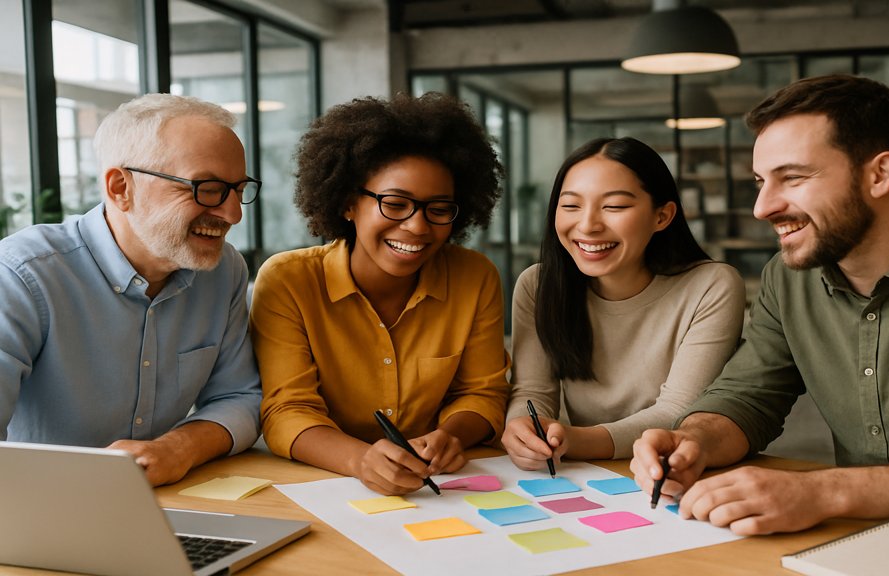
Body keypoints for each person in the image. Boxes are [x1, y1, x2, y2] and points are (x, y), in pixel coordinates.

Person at [631, 74, 889, 535]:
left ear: (880, 174)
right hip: (867, 544)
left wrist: (824, 491)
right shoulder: (788, 278)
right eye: (761, 181)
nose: (762, 207)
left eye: (792, 178)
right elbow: (749, 396)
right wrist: (692, 440)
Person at [251, 92, 510, 496]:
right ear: (349, 203)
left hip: (439, 487)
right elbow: (287, 410)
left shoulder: (474, 277)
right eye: (395, 204)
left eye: (438, 209)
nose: (418, 227)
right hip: (325, 486)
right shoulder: (289, 282)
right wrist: (359, 460)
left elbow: (483, 391)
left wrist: (452, 436)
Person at [0, 93, 263, 486]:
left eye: (238, 189)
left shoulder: (223, 271)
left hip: (169, 501)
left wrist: (178, 448)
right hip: (43, 515)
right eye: (207, 188)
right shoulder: (21, 275)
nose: (233, 213)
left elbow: (241, 398)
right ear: (121, 187)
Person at [502, 137, 745, 469]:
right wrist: (524, 430)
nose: (587, 225)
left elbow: (678, 410)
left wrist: (574, 440)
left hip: (678, 469)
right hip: (587, 473)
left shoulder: (711, 286)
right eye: (571, 205)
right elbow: (533, 392)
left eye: (614, 207)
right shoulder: (538, 285)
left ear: (662, 216)